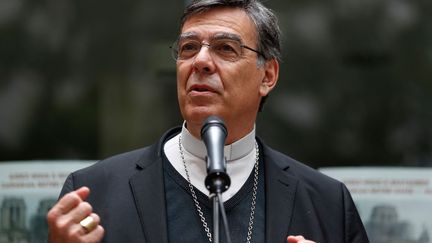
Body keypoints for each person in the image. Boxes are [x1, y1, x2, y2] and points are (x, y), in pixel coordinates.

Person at [47, 0, 369, 242]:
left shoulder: (327, 204)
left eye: (225, 48)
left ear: (267, 75)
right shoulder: (94, 196)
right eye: (188, 48)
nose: (200, 61)